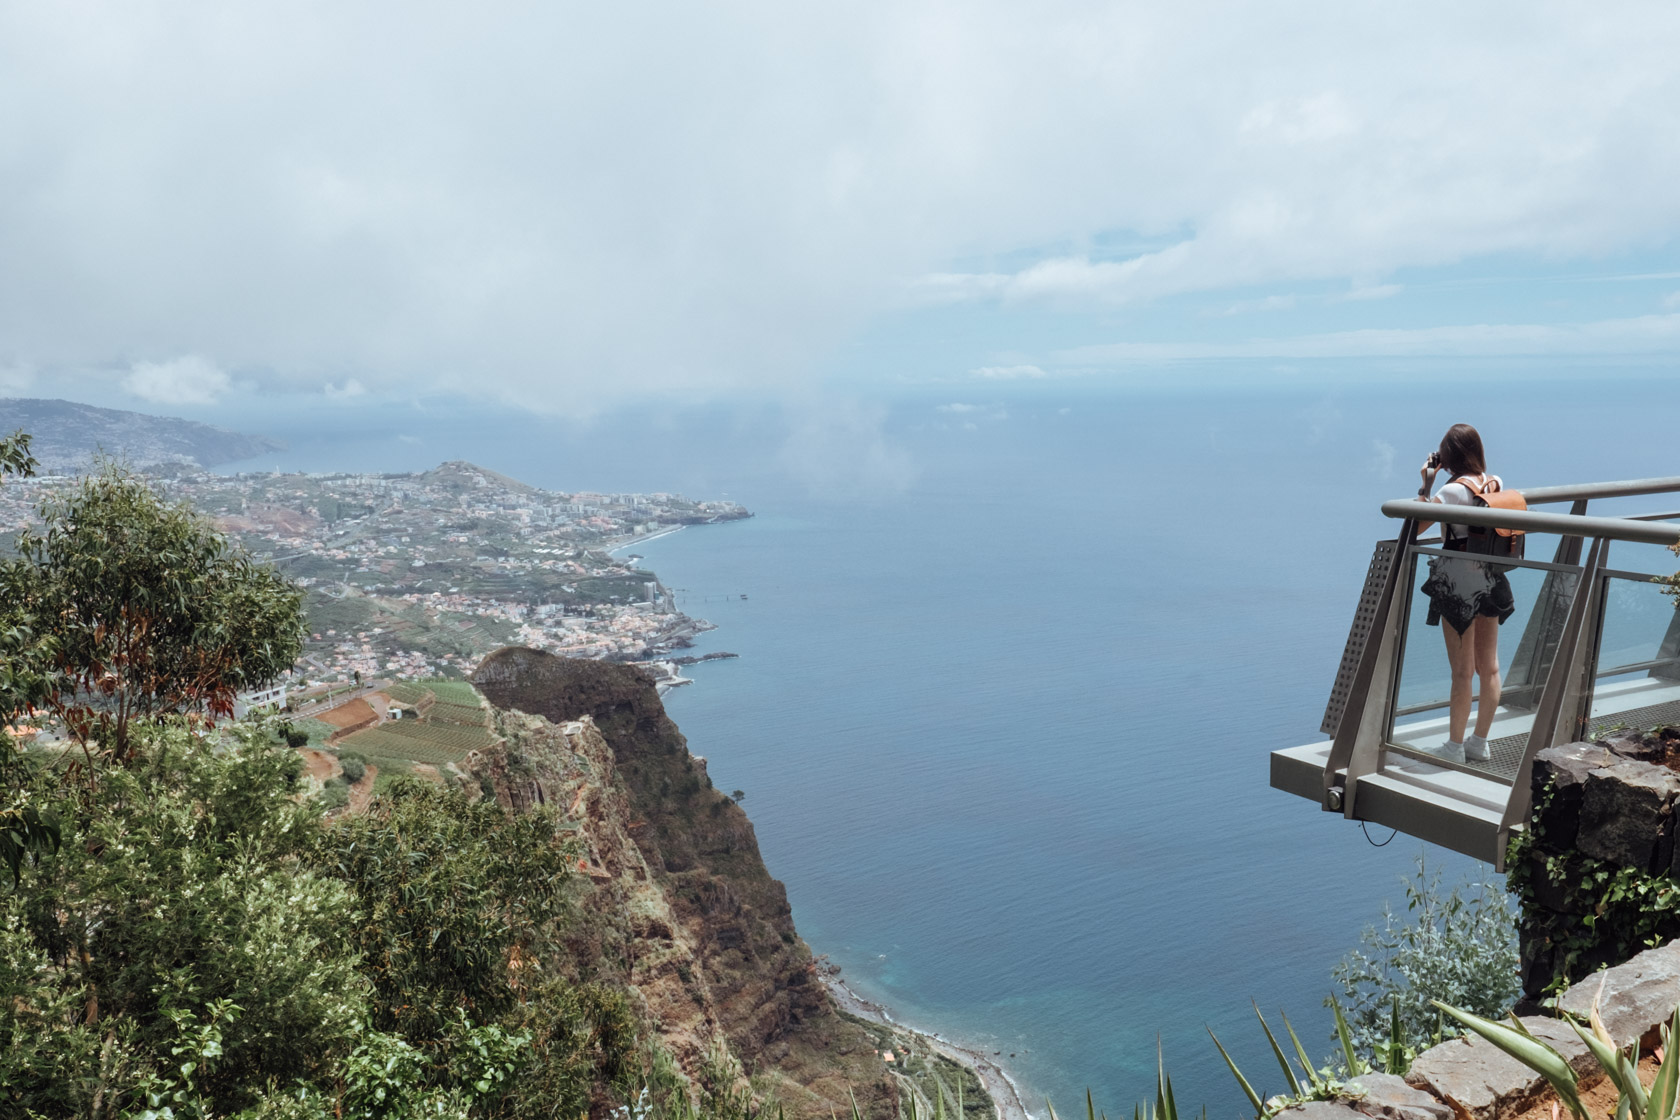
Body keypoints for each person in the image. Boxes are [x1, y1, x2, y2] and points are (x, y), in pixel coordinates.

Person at [1417, 423, 1515, 764]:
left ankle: (1454, 747)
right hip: (1491, 575)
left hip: (1458, 582)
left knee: (1462, 671)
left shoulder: (1450, 493)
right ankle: (1479, 742)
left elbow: (1414, 526)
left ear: (1449, 457)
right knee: (1489, 668)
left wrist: (1426, 483)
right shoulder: (1496, 482)